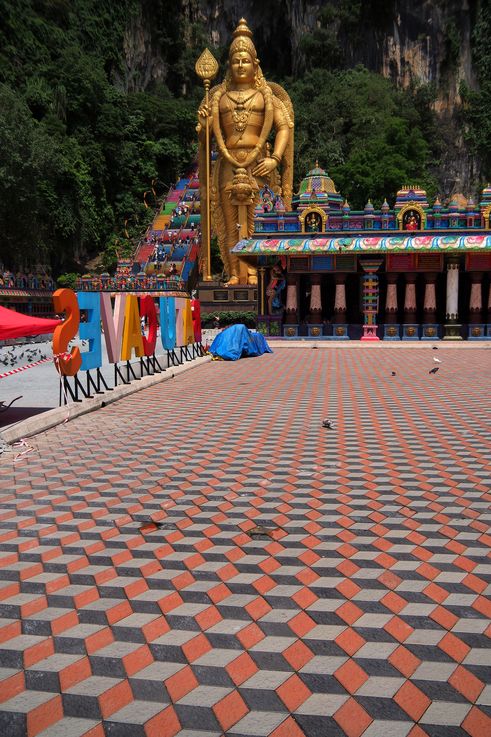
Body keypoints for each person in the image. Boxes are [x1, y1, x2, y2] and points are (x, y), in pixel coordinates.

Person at [198, 18, 294, 286]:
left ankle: (256, 273)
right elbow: (207, 137)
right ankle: (233, 272)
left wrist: (275, 158)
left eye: (245, 60)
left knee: (256, 222)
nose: (240, 65)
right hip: (228, 163)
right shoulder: (218, 98)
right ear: (229, 65)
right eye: (236, 60)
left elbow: (284, 127)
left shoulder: (266, 97)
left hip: (259, 164)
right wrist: (204, 124)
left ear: (255, 64)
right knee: (229, 224)